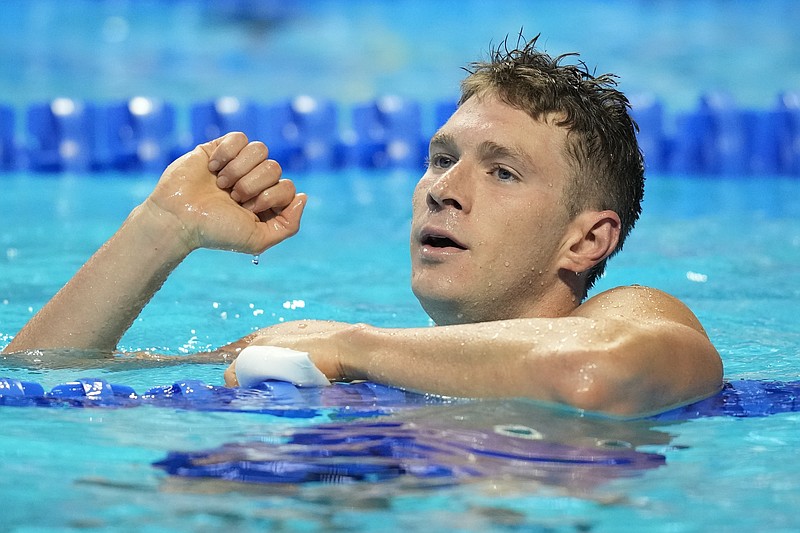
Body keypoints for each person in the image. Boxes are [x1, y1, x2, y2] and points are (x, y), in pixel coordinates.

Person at [3, 35, 722, 417]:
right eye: (441, 158)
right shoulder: (351, 349)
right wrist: (160, 228)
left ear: (589, 239)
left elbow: (599, 374)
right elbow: (45, 378)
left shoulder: (633, 316)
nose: (444, 190)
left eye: (501, 170)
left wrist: (351, 345)